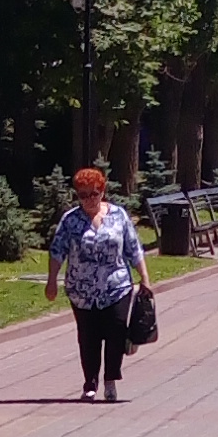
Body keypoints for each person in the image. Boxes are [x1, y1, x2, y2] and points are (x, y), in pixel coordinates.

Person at [45, 163, 150, 400]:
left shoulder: (118, 215)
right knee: (88, 337)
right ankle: (90, 383)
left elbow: (133, 248)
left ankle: (110, 379)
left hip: (117, 285)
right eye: (83, 195)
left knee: (116, 330)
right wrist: (52, 281)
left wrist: (145, 278)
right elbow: (57, 251)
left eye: (94, 193)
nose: (89, 199)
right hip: (82, 290)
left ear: (102, 191)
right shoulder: (70, 220)